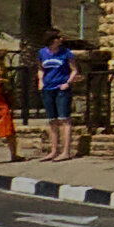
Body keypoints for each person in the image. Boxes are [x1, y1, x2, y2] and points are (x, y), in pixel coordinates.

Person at [34, 32, 76, 160]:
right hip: (48, 87)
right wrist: (41, 81)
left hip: (61, 87)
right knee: (52, 120)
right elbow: (41, 68)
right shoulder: (42, 53)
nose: (61, 39)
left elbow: (74, 69)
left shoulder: (65, 52)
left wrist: (67, 83)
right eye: (58, 38)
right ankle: (53, 150)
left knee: (64, 118)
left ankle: (66, 151)